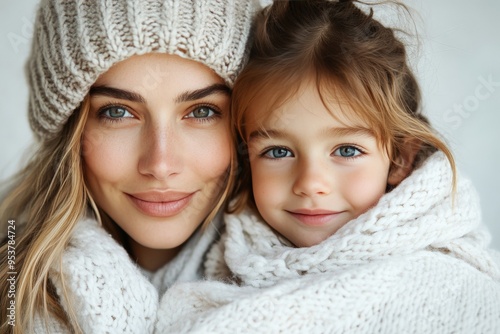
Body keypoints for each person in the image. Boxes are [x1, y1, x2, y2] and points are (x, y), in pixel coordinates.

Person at [157, 1, 500, 332]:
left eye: (347, 150)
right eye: (278, 152)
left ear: (399, 159)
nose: (311, 183)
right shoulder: (216, 250)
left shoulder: (443, 278)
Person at [0, 0, 259, 332]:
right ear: (68, 133)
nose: (161, 164)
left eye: (202, 111)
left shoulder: (315, 281)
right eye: (118, 112)